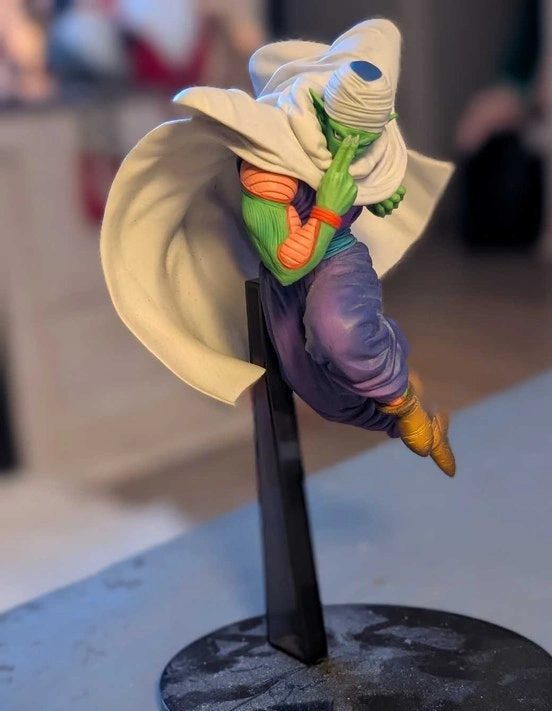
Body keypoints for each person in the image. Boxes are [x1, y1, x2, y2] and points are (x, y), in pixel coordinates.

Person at [101, 19, 456, 476]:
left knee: (339, 330)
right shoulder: (270, 166)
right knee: (322, 392)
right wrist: (327, 209)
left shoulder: (365, 143)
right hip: (290, 266)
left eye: (366, 143)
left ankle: (399, 393)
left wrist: (375, 192)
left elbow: (367, 175)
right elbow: (287, 264)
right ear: (323, 112)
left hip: (337, 253)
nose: (354, 151)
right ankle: (401, 407)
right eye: (346, 138)